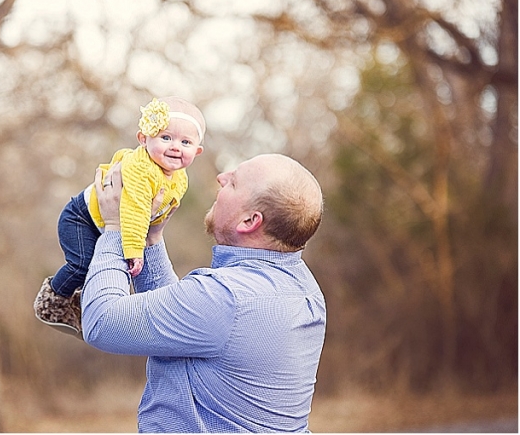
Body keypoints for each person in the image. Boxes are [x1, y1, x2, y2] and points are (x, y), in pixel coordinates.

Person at [81, 153, 326, 433]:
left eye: (233, 182)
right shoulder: (304, 289)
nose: (221, 177)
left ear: (250, 221)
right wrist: (148, 238)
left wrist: (115, 227)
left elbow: (102, 322)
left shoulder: (227, 297)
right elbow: (181, 322)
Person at [34, 97, 206, 337]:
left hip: (106, 224)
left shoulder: (179, 177)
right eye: (166, 138)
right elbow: (135, 210)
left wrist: (154, 231)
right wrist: (135, 250)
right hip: (81, 218)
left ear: (197, 151)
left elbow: (158, 210)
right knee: (83, 264)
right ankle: (53, 299)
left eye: (185, 142)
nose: (175, 147)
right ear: (144, 139)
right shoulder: (142, 168)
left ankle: (82, 302)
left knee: (104, 268)